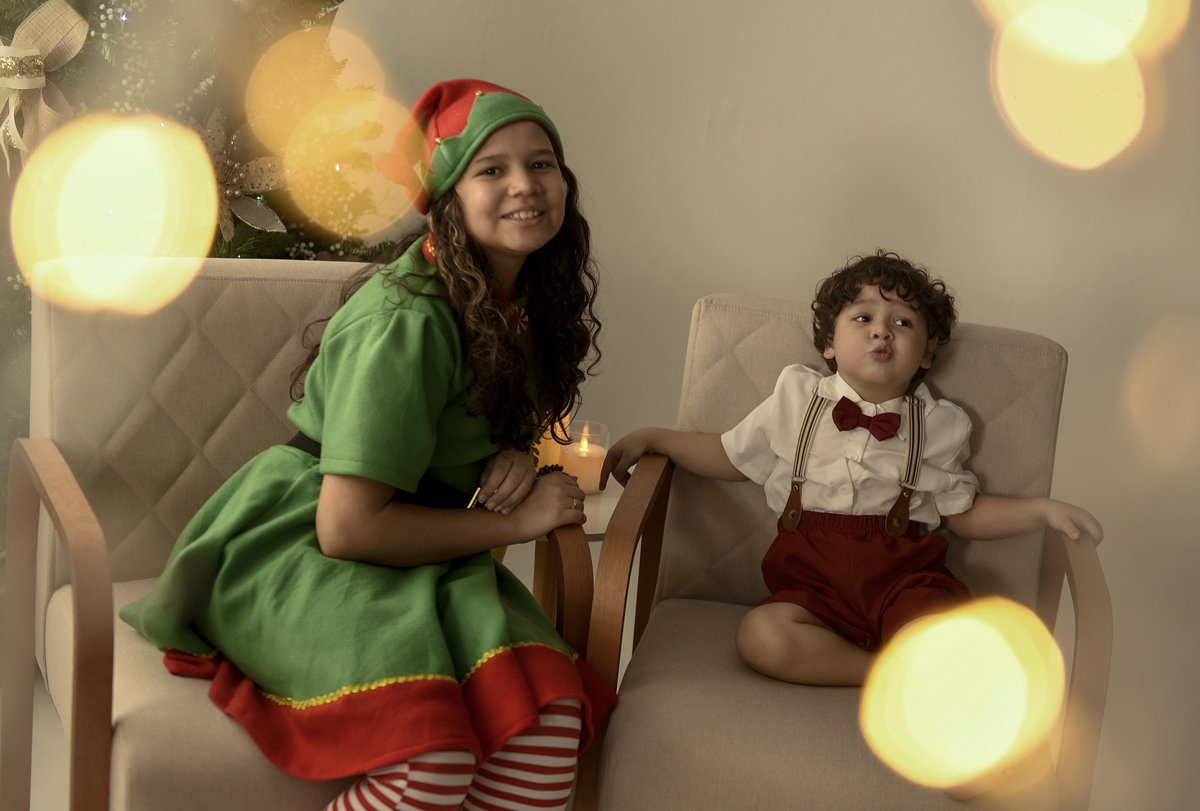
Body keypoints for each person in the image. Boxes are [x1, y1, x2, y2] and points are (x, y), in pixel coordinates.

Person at [121, 79, 617, 811]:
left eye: (541, 163)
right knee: (432, 755)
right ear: (449, 198)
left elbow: (470, 420)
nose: (525, 184)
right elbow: (347, 527)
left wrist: (515, 451)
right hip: (308, 546)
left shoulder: (518, 302)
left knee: (547, 731)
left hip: (422, 551)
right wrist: (515, 523)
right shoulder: (404, 321)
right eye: (491, 169)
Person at [601, 251, 1103, 691]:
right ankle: (885, 673)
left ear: (928, 353)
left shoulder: (940, 424)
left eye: (903, 323)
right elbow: (731, 456)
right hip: (813, 592)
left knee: (944, 635)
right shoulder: (797, 397)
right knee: (760, 637)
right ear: (829, 344)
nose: (882, 330)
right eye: (863, 317)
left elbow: (963, 512)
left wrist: (1042, 510)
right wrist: (656, 437)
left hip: (904, 581)